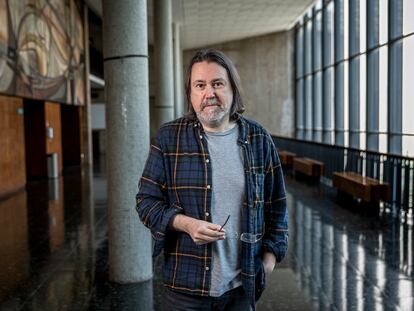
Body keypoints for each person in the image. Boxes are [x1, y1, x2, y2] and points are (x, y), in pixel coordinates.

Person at [136, 49, 288, 311]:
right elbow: (146, 202)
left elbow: (277, 208)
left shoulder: (258, 138)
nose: (209, 93)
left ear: (232, 89)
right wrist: (185, 224)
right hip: (185, 286)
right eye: (200, 85)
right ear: (191, 93)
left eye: (218, 83)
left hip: (242, 286)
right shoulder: (169, 138)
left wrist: (268, 261)